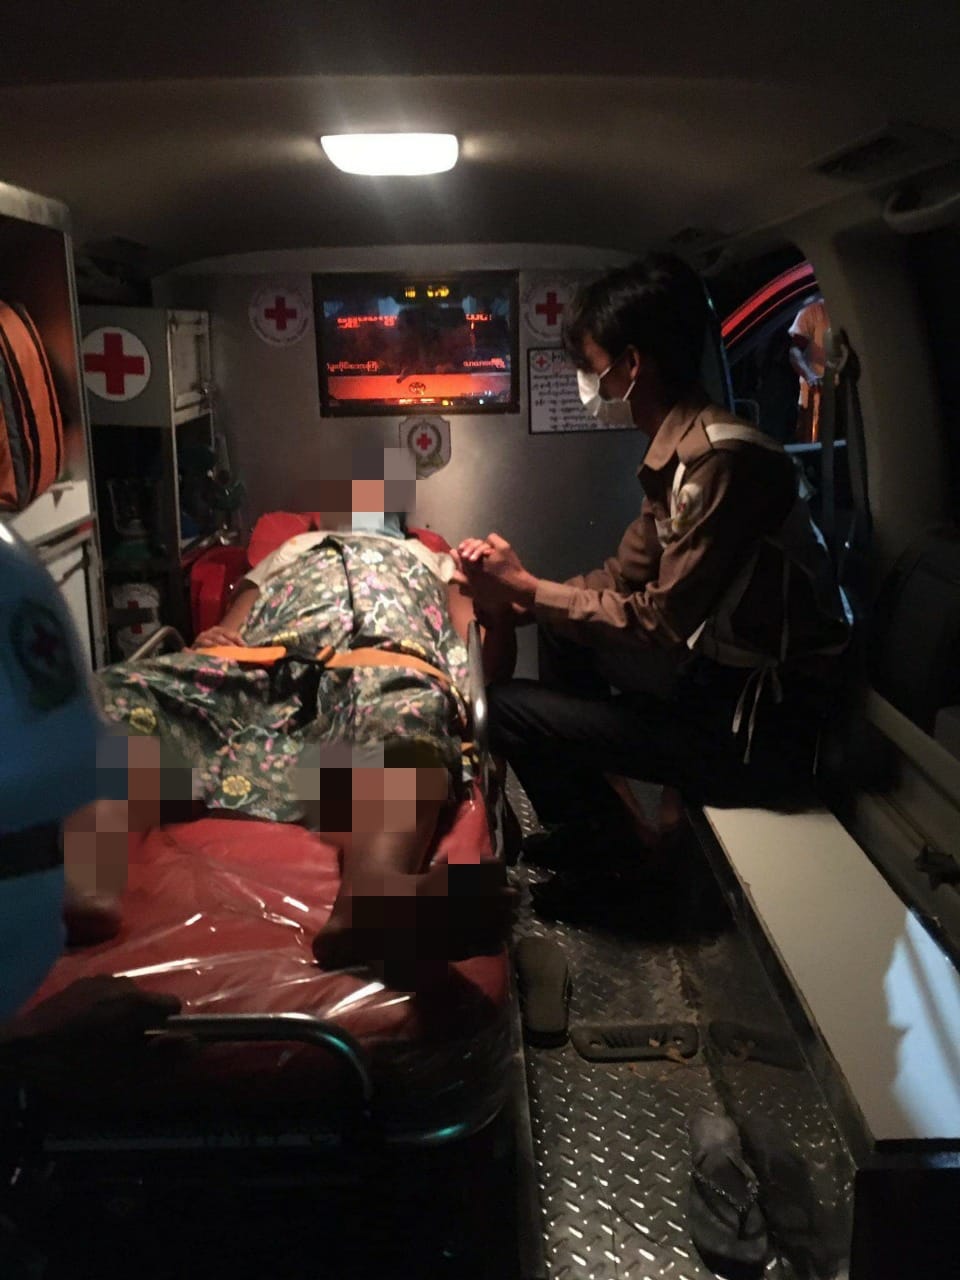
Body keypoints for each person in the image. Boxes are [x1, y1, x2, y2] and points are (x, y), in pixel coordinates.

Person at [454, 254, 850, 905]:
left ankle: (621, 870)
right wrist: (520, 599)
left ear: (632, 365)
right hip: (713, 685)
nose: (587, 383)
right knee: (560, 628)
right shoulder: (680, 451)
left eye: (591, 365)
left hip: (763, 725)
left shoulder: (721, 461)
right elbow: (621, 575)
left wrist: (526, 588)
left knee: (503, 712)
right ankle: (603, 834)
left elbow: (662, 622)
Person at [94, 448, 514, 983]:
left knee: (409, 714)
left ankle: (371, 899)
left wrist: (498, 611)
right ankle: (86, 881)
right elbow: (228, 630)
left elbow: (479, 662)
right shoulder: (289, 552)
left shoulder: (436, 562)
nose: (364, 498)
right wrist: (215, 642)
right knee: (118, 689)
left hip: (384, 673)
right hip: (264, 675)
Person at [788, 296, 831, 444]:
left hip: (844, 396)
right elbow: (794, 352)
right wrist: (811, 376)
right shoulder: (813, 310)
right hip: (815, 399)